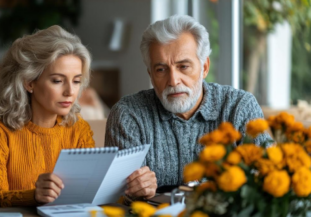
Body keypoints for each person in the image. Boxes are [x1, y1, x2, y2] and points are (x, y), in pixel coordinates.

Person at [105, 15, 271, 199]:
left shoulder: (240, 107)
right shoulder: (128, 114)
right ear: (150, 74)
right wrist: (135, 190)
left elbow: (267, 178)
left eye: (183, 66)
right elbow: (118, 198)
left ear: (204, 67)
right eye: (161, 69)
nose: (173, 81)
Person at [0, 25, 95, 208]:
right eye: (58, 81)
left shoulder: (78, 128)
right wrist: (34, 196)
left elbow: (88, 192)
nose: (70, 92)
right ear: (29, 83)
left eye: (76, 81)